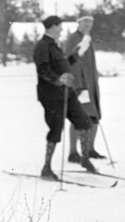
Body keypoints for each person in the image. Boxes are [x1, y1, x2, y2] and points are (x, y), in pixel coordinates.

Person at [33, 15, 96, 179]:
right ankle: (46, 168)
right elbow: (43, 69)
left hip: (67, 93)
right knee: (55, 130)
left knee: (84, 122)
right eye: (60, 26)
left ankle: (85, 159)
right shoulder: (42, 46)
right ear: (53, 27)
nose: (61, 29)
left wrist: (77, 54)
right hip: (51, 95)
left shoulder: (55, 45)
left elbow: (63, 64)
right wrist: (57, 79)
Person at [63, 15, 104, 163]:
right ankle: (73, 153)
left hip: (91, 85)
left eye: (90, 22)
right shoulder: (74, 38)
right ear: (79, 23)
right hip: (80, 85)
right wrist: (77, 85)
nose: (88, 24)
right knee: (80, 117)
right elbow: (68, 60)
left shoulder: (88, 38)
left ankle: (90, 149)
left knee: (94, 117)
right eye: (85, 21)